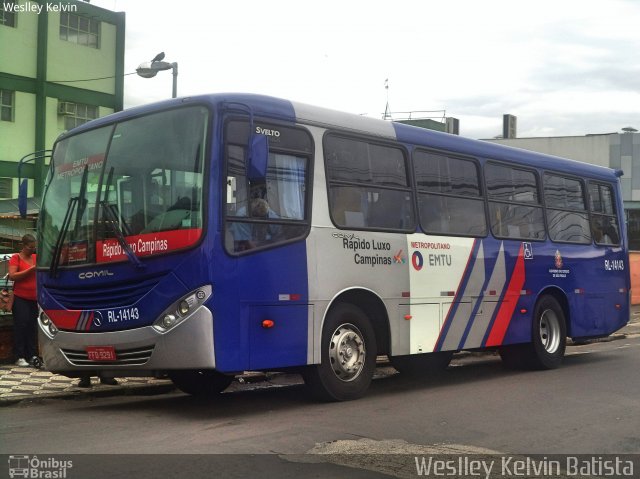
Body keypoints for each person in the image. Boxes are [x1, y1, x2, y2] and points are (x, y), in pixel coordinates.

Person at [8, 234, 38, 367]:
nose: (32, 250)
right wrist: (31, 270)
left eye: (34, 247)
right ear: (23, 246)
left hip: (34, 298)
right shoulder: (16, 258)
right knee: (21, 325)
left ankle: (32, 354)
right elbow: (13, 275)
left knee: (32, 326)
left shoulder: (36, 258)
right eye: (30, 247)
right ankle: (19, 355)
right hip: (20, 298)